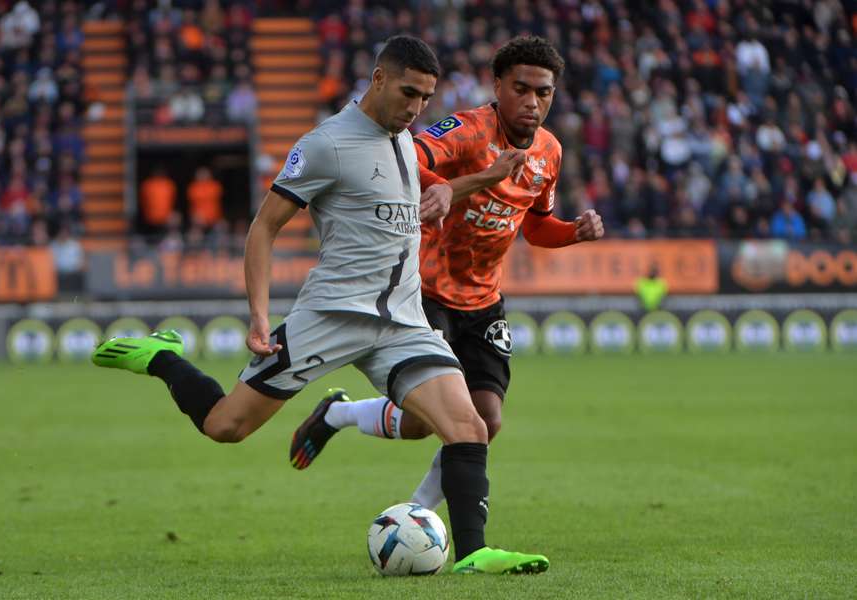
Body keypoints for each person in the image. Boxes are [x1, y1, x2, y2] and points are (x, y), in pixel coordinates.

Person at [91, 35, 548, 575]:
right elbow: (264, 229)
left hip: (403, 322)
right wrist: (260, 316)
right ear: (378, 79)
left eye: (426, 98)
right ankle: (163, 356)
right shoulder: (328, 143)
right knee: (225, 427)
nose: (416, 109)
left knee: (470, 427)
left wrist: (476, 181)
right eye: (408, 94)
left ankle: (474, 554)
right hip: (331, 317)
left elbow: (420, 202)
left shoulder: (404, 140)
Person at [289, 36, 605, 512]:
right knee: (426, 420)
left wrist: (572, 233)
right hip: (426, 292)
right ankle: (345, 419)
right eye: (521, 89)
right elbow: (408, 158)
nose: (532, 102)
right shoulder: (469, 131)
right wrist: (445, 189)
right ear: (497, 86)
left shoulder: (549, 153)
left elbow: (537, 228)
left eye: (544, 92)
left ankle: (413, 511)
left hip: (483, 302)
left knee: (488, 419)